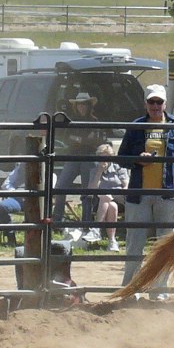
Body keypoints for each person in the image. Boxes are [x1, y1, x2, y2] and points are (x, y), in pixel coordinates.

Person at [117, 84, 174, 299]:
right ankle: (130, 289)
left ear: (165, 104)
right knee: (135, 243)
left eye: (158, 102)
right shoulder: (136, 126)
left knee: (165, 245)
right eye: (151, 102)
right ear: (145, 103)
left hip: (168, 194)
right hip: (139, 194)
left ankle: (160, 290)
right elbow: (121, 157)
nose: (155, 106)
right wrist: (137, 159)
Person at [55, 91, 104, 241]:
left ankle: (86, 223)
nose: (81, 107)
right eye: (79, 104)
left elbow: (94, 141)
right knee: (61, 187)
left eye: (84, 104)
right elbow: (66, 138)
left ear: (89, 106)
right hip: (73, 157)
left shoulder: (95, 122)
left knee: (87, 191)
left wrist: (78, 139)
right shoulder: (72, 121)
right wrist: (82, 140)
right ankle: (57, 220)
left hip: (89, 158)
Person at [85, 142, 128, 252]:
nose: (104, 159)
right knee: (111, 205)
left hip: (119, 198)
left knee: (108, 198)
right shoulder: (94, 171)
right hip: (102, 202)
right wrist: (99, 173)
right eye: (101, 156)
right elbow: (91, 191)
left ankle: (96, 229)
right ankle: (112, 241)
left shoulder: (119, 168)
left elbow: (125, 185)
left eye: (107, 156)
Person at [0, 162, 27, 247]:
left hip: (38, 202)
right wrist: (15, 192)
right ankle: (10, 236)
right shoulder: (21, 167)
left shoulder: (50, 172)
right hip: (19, 199)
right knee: (1, 207)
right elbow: (5, 184)